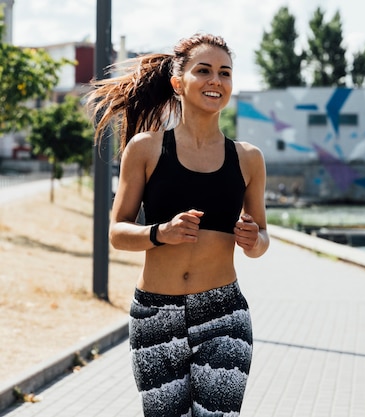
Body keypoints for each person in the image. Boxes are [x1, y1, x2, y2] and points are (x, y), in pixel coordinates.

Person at [87, 33, 269, 417]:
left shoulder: (249, 159)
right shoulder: (146, 148)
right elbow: (117, 233)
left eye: (225, 73)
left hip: (224, 312)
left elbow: (262, 238)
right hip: (155, 314)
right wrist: (159, 233)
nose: (215, 81)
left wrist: (254, 240)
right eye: (203, 71)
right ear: (178, 83)